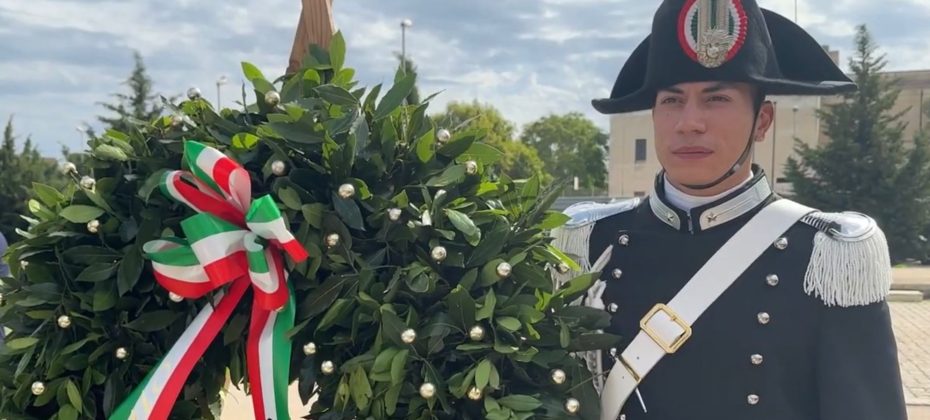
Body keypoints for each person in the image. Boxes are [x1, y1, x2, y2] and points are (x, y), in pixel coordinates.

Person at [552, 1, 907, 419]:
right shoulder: (590, 242)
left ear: (763, 120)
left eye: (716, 98)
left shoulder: (826, 257)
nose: (690, 122)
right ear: (654, 115)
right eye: (672, 100)